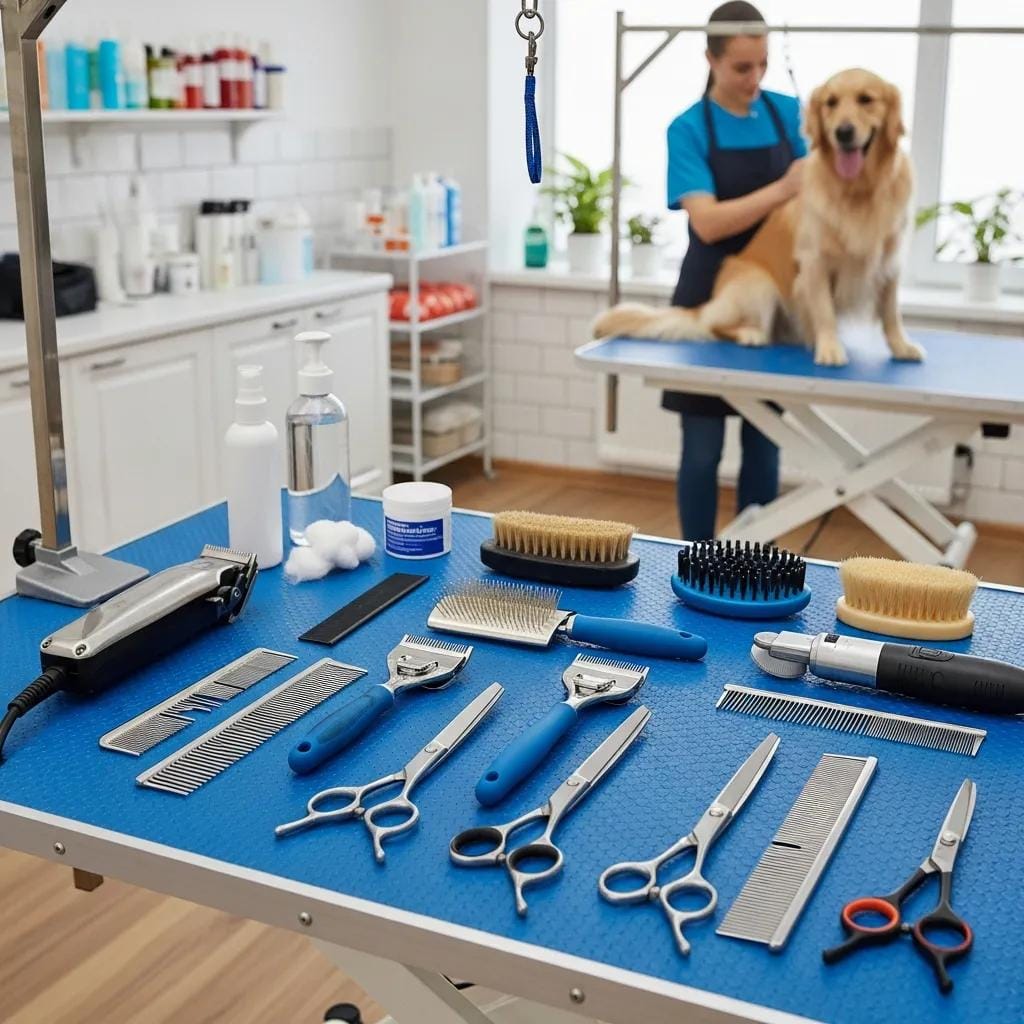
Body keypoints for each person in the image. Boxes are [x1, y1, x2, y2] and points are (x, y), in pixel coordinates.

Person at [665, 0, 806, 540]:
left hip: (772, 302)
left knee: (764, 441)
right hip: (709, 301)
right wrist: (782, 188)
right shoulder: (688, 128)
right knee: (701, 450)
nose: (755, 78)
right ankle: (693, 560)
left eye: (762, 64)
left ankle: (753, 561)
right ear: (711, 59)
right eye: (741, 67)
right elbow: (708, 224)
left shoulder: (789, 113)